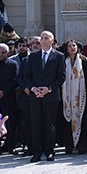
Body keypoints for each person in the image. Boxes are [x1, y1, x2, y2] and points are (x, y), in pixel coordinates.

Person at [22, 30, 65, 162]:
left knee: (49, 124)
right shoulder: (33, 56)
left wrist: (49, 89)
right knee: (35, 124)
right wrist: (34, 89)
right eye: (42, 38)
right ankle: (36, 152)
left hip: (50, 96)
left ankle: (50, 151)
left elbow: (61, 76)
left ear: (52, 41)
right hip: (35, 95)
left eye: (47, 38)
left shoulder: (59, 56)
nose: (44, 40)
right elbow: (27, 75)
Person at [60, 39, 87, 154]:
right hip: (67, 96)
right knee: (67, 118)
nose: (72, 48)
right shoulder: (64, 62)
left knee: (83, 118)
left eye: (74, 45)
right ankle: (69, 144)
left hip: (81, 95)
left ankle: (82, 144)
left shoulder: (84, 61)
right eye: (70, 46)